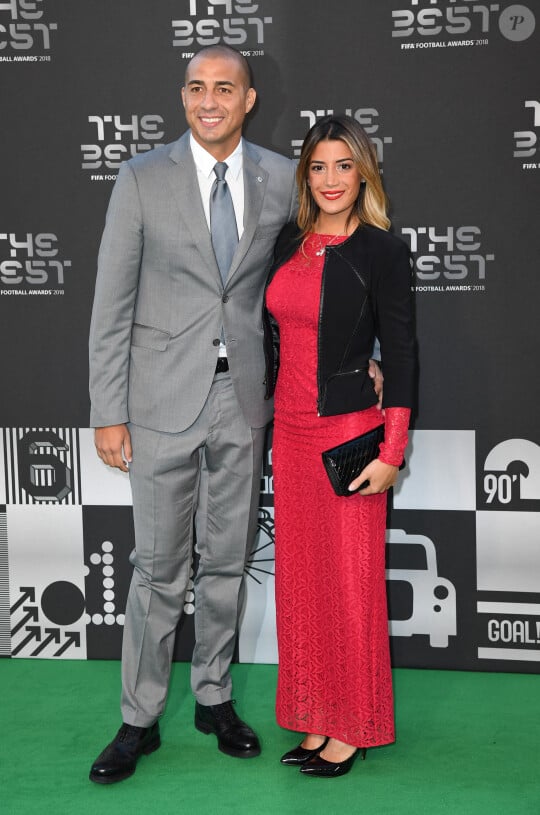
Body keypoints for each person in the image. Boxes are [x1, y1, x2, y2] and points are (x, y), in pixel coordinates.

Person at [87, 45, 299, 784]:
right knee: (156, 570)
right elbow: (110, 306)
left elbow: (311, 274)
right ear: (184, 97)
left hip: (242, 401)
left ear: (249, 99)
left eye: (225, 88)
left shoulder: (280, 178)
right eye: (196, 87)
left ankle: (214, 694)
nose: (209, 100)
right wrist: (108, 410)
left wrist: (359, 351)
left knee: (228, 562)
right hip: (156, 403)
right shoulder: (141, 177)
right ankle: (139, 717)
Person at [263, 115, 416, 779]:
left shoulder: (381, 250)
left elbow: (404, 354)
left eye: (343, 166)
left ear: (363, 173)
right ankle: (318, 716)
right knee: (304, 583)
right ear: (306, 174)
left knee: (350, 584)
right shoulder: (287, 241)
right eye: (319, 167)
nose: (331, 179)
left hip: (350, 435)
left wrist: (393, 449)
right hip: (288, 436)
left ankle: (353, 726)